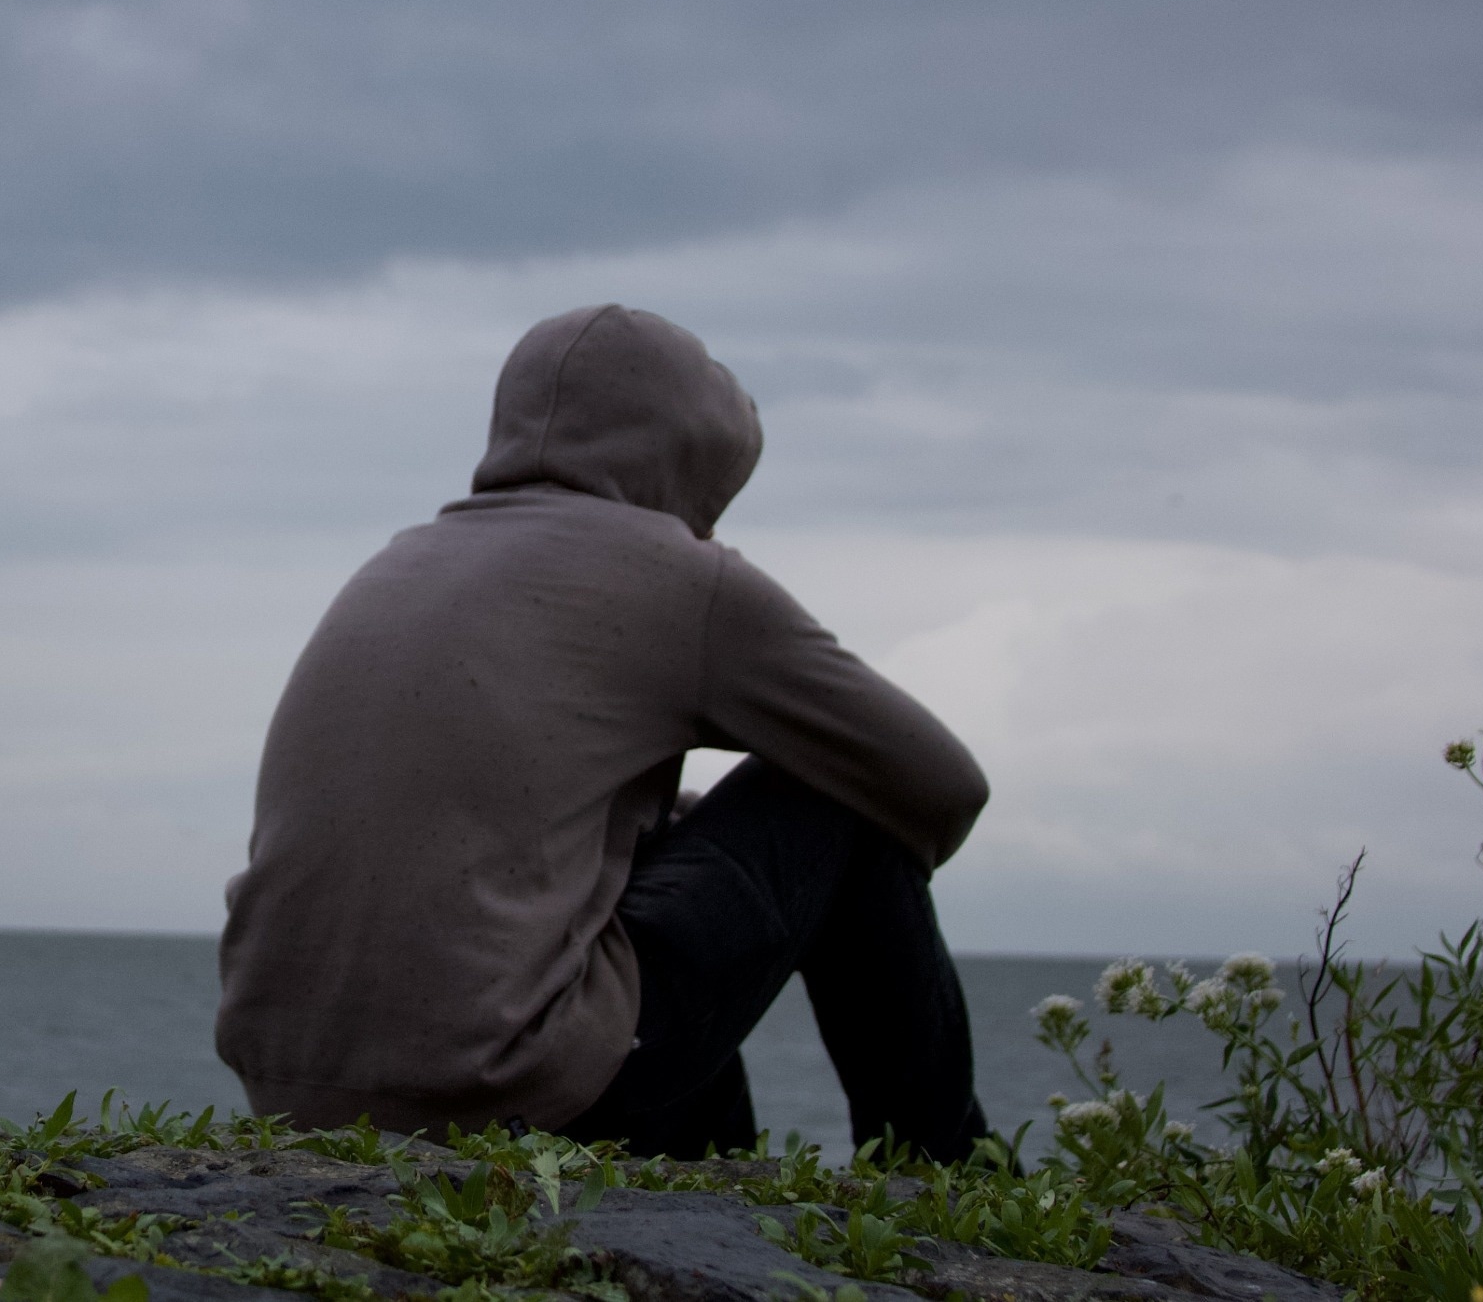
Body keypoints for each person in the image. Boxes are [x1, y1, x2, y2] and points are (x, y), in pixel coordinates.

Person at [216, 304, 993, 1160]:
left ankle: (708, 1174)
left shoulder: (401, 559)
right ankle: (951, 1175)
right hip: (503, 1085)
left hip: (294, 1090)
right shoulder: (679, 575)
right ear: (692, 455)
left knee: (636, 888)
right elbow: (941, 782)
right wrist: (821, 885)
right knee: (837, 789)